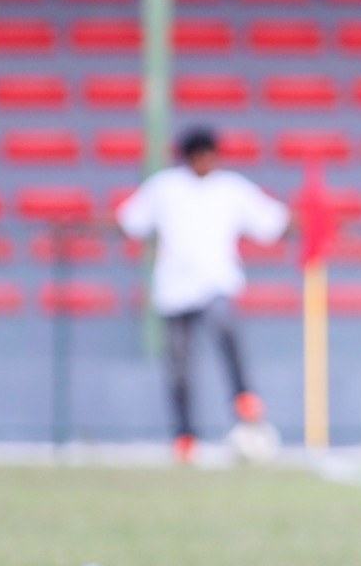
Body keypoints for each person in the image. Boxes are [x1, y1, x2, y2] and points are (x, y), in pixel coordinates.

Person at [116, 127, 289, 463]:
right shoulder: (164, 188)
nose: (205, 163)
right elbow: (129, 220)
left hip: (215, 282)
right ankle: (184, 436)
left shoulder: (231, 188)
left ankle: (243, 395)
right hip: (174, 290)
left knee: (225, 326)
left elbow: (271, 221)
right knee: (179, 370)